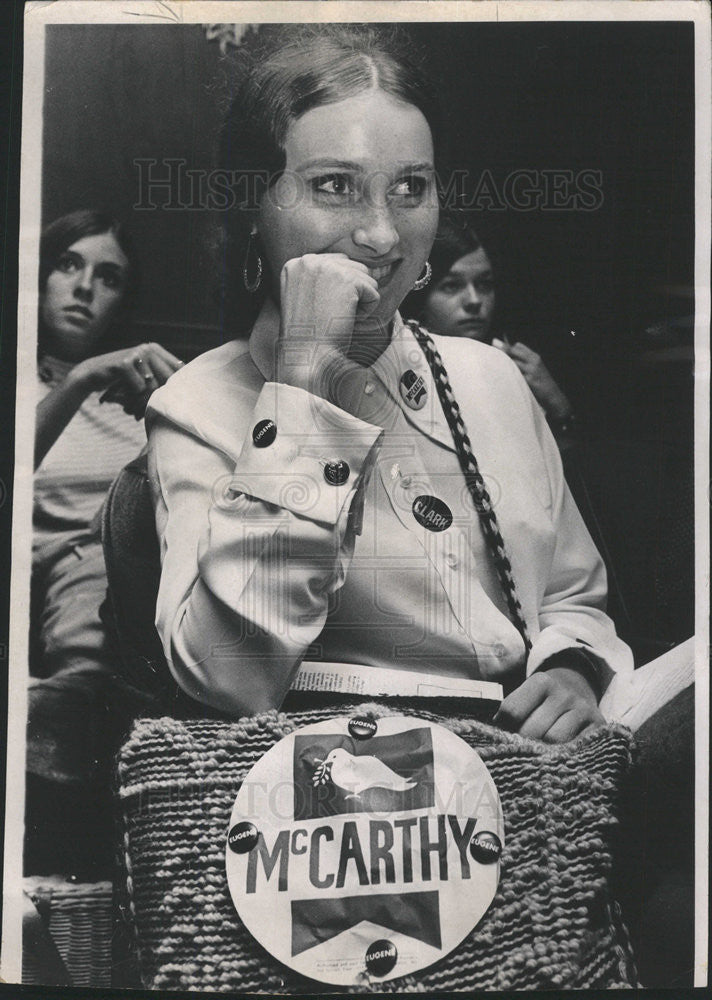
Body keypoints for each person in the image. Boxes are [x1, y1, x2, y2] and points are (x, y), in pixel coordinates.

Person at [145, 24, 634, 741]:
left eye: (412, 188)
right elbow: (231, 675)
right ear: (251, 206)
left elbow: (572, 594)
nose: (381, 235)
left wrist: (572, 668)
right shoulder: (195, 408)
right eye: (334, 186)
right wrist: (307, 386)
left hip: (539, 784)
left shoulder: (490, 378)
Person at [27, 210, 183, 873]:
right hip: (63, 570)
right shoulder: (31, 384)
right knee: (96, 575)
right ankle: (73, 709)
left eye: (108, 276)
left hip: (140, 565)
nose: (85, 286)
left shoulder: (134, 404)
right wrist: (84, 376)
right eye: (69, 265)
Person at [401, 215, 577, 440]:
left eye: (484, 284)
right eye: (451, 286)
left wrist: (558, 406)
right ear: (421, 295)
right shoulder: (408, 374)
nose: (474, 300)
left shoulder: (515, 366)